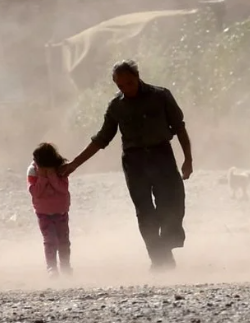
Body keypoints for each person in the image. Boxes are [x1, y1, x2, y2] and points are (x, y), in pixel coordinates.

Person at [60, 59, 193, 272]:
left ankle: (165, 246)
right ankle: (158, 260)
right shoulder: (117, 106)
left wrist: (188, 159)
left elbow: (179, 127)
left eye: (129, 83)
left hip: (162, 157)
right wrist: (75, 163)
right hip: (135, 162)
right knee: (145, 212)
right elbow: (102, 138)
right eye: (120, 85)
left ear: (137, 77)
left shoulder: (160, 96)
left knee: (173, 203)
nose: (126, 88)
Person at [27, 142, 72, 277]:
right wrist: (42, 177)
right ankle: (51, 268)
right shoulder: (33, 171)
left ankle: (65, 267)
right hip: (44, 214)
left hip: (61, 212)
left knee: (63, 241)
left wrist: (52, 176)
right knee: (50, 241)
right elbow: (35, 192)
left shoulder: (60, 169)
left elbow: (63, 189)